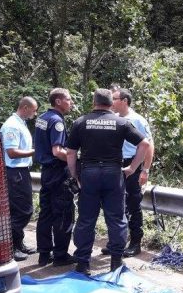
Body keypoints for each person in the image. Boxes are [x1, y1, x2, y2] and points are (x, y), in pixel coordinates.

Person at [67, 88, 150, 275]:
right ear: (111, 103)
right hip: (113, 173)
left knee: (87, 218)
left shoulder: (81, 122)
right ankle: (115, 261)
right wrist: (132, 168)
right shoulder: (121, 122)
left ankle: (82, 263)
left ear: (94, 102)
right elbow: (144, 144)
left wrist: (75, 176)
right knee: (116, 218)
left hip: (89, 173)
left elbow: (71, 153)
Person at [99, 87, 154, 258]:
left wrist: (145, 169)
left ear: (124, 101)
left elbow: (149, 146)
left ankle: (135, 242)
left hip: (133, 164)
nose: (111, 102)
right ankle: (116, 241)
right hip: (116, 164)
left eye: (114, 98)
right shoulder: (113, 119)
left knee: (133, 204)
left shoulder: (137, 120)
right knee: (114, 204)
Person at [34, 88, 76, 267]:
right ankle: (60, 255)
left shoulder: (42, 118)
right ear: (58, 101)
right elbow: (57, 151)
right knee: (64, 213)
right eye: (68, 99)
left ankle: (44, 254)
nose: (71, 102)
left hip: (46, 172)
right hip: (58, 172)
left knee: (46, 213)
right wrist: (74, 159)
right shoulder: (57, 121)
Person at [0, 96, 38, 261]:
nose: (35, 114)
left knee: (22, 209)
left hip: (22, 171)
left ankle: (19, 243)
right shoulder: (12, 126)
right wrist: (35, 151)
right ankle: (12, 247)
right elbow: (12, 152)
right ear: (25, 107)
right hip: (15, 172)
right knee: (22, 211)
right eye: (34, 110)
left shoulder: (20, 123)